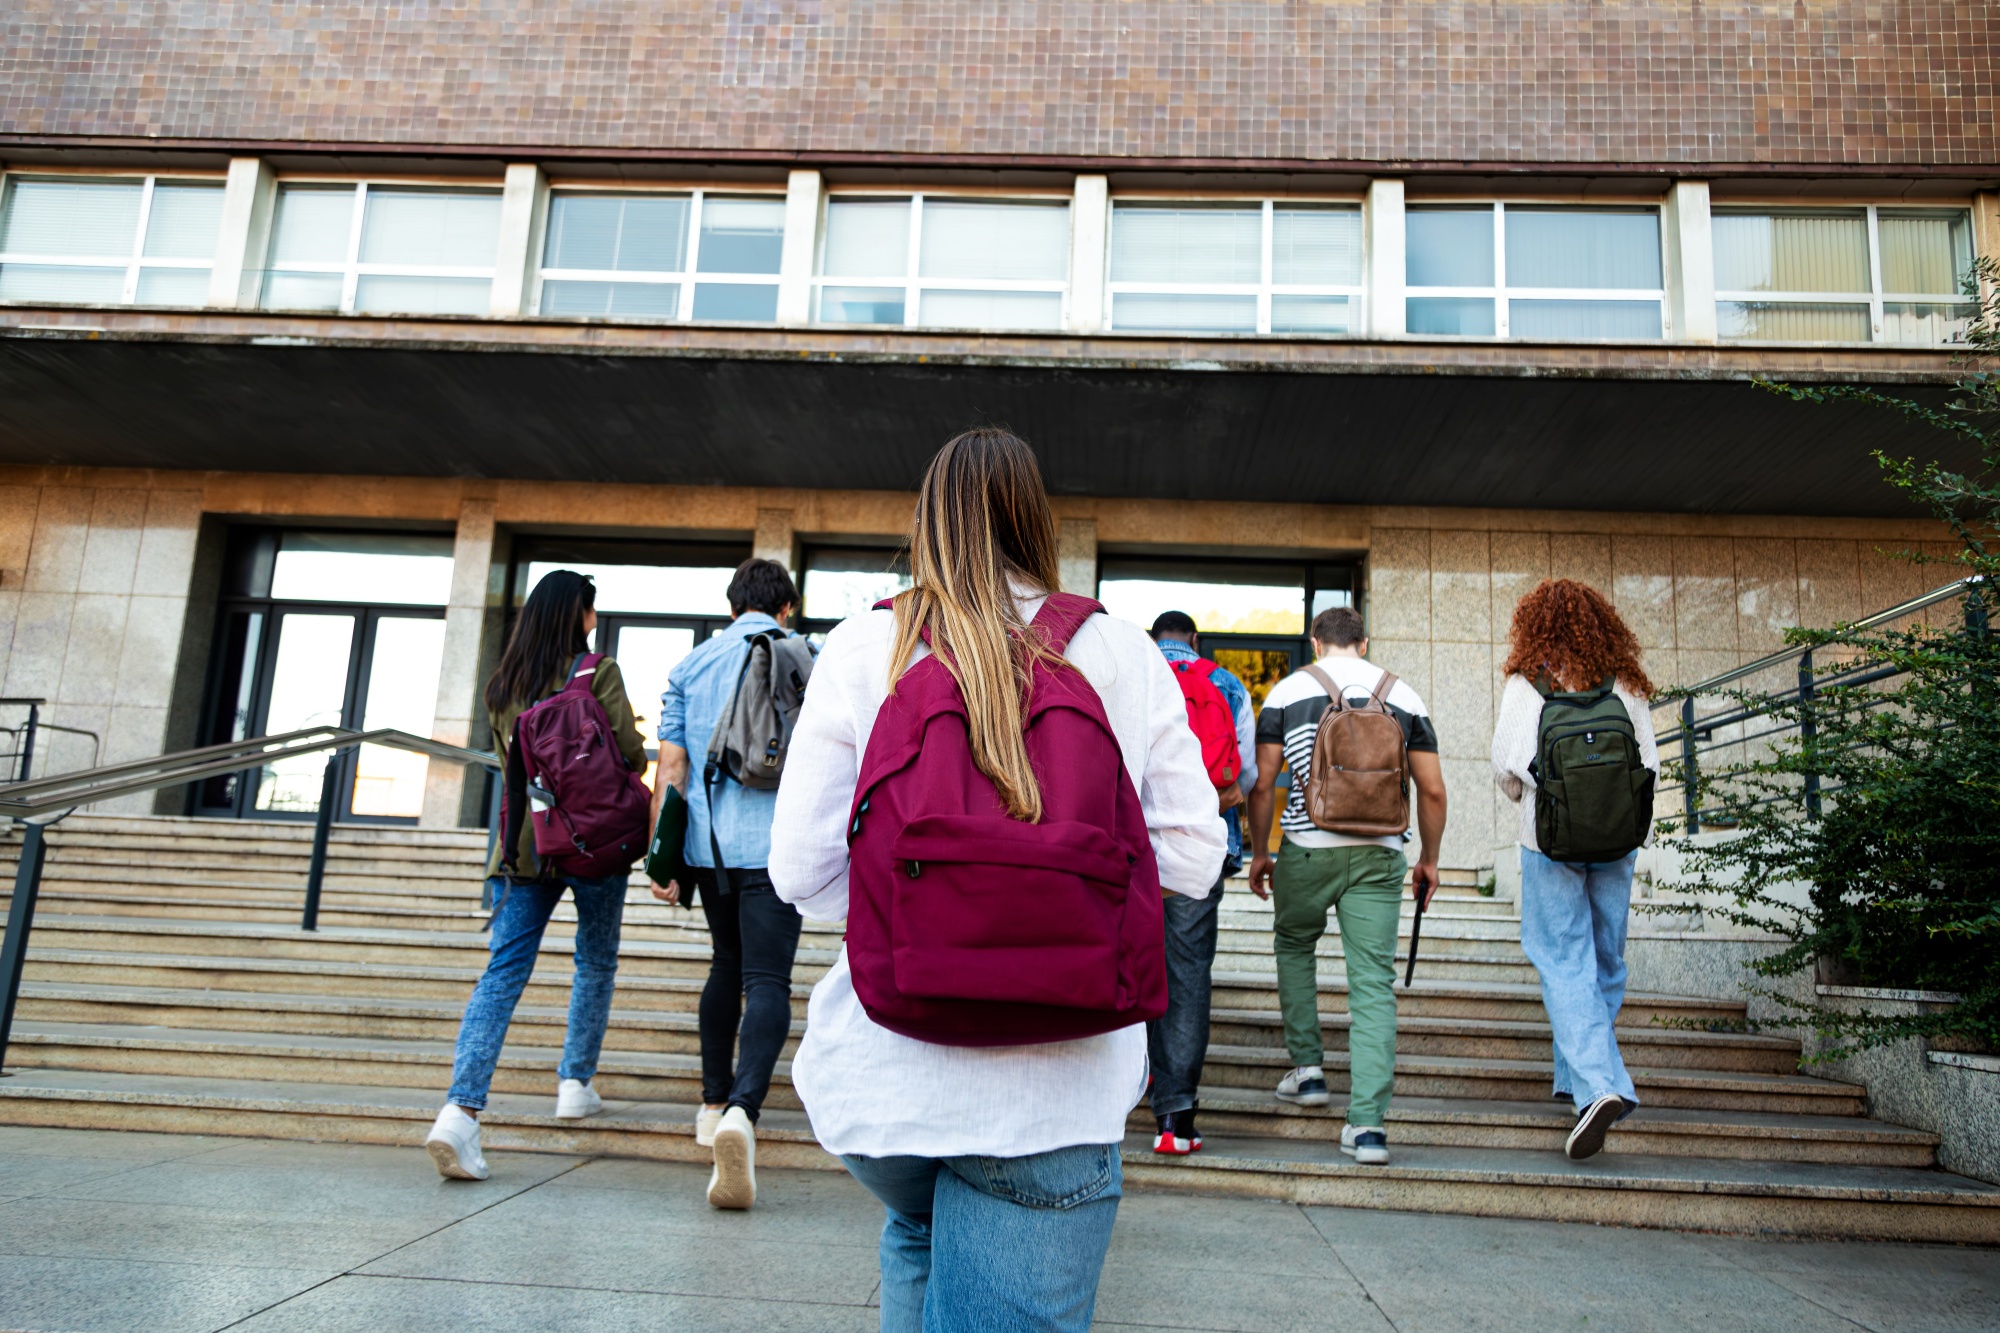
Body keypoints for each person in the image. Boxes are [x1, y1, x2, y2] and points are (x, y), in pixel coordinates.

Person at [770, 429, 1225, 1332]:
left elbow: (801, 869)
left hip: (887, 1075)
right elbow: (1192, 853)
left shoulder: (866, 645)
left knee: (920, 1227)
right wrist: (1068, 902)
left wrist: (924, 918)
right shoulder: (1121, 650)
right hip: (1054, 1092)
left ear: (928, 523)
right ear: (1034, 520)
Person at [425, 569, 648, 1181]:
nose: (595, 620)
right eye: (591, 610)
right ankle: (574, 1082)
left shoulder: (504, 684)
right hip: (594, 843)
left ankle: (460, 1112)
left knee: (502, 974)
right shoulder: (597, 672)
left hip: (523, 849)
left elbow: (511, 771)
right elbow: (631, 755)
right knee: (595, 961)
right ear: (578, 615)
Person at [1244, 605, 1446, 1167]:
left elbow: (1262, 783)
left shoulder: (1286, 693)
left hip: (1307, 849)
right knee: (1373, 985)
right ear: (1364, 642)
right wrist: (1429, 860)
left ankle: (1308, 1070)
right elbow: (1431, 790)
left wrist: (1260, 851)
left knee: (1294, 944)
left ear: (1315, 643)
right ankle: (1368, 1127)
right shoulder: (1404, 696)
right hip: (1381, 854)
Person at [648, 557, 806, 1210]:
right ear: (786, 607)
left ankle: (713, 1105)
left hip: (707, 849)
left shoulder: (691, 666)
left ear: (732, 604)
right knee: (767, 980)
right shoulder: (805, 655)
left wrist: (661, 858)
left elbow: (672, 766)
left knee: (724, 965)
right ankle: (744, 1109)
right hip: (776, 850)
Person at [1490, 578, 1660, 1161]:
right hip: (1617, 840)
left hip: (1549, 843)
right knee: (1604, 961)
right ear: (1603, 622)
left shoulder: (1528, 682)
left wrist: (1536, 794)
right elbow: (1649, 762)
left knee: (1563, 960)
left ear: (1534, 625)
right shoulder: (1625, 681)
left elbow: (1508, 767)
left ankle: (1596, 1087)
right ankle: (1579, 1085)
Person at [1146, 610, 1256, 1155]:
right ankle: (1176, 1119)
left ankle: (1126, 1083)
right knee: (1187, 975)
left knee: (1128, 964)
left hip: (1131, 850)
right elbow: (1246, 775)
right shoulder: (1227, 684)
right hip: (1199, 851)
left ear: (1154, 639)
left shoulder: (1134, 672)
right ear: (1194, 639)